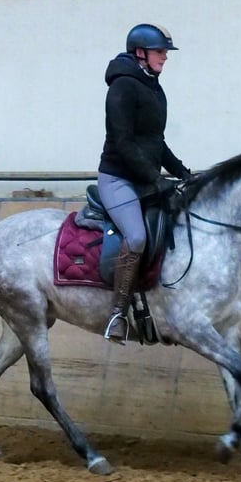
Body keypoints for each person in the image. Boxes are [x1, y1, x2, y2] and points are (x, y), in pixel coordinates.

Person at [97, 23, 192, 344]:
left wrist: (182, 172)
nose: (165, 57)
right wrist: (155, 178)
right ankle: (117, 314)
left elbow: (156, 142)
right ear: (141, 52)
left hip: (146, 179)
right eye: (160, 51)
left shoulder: (153, 86)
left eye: (165, 52)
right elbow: (124, 143)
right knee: (136, 237)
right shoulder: (123, 86)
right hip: (118, 177)